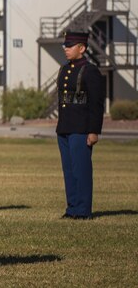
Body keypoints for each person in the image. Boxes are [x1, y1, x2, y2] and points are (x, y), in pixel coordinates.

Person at [56, 30, 105, 220]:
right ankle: (72, 208)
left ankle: (83, 210)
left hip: (81, 128)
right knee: (69, 171)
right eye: (65, 46)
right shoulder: (64, 69)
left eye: (70, 46)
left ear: (82, 48)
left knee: (81, 170)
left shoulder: (90, 71)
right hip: (65, 127)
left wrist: (93, 131)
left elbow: (96, 103)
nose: (66, 49)